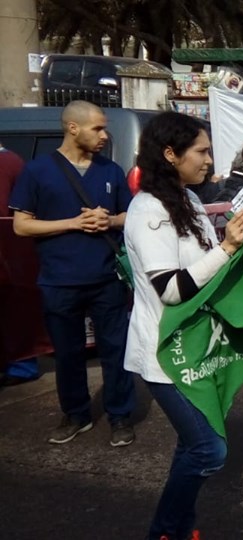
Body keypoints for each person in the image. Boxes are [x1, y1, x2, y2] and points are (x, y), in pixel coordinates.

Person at [123, 112, 243, 540]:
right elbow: (172, 290)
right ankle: (164, 530)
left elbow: (208, 267)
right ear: (169, 154)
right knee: (208, 449)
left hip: (196, 346)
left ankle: (180, 528)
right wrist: (228, 245)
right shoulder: (147, 210)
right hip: (165, 354)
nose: (209, 159)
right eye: (200, 151)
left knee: (193, 445)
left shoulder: (190, 201)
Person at [8, 100, 137, 446]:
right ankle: (76, 414)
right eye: (97, 128)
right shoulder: (37, 171)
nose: (105, 136)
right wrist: (74, 223)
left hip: (107, 277)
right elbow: (22, 226)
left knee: (116, 350)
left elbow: (130, 214)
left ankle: (120, 416)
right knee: (68, 353)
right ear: (72, 127)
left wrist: (109, 220)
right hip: (59, 279)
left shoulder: (110, 171)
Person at [0, 140, 40, 387]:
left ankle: (21, 365)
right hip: (16, 253)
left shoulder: (5, 163)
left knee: (13, 311)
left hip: (9, 253)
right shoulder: (12, 160)